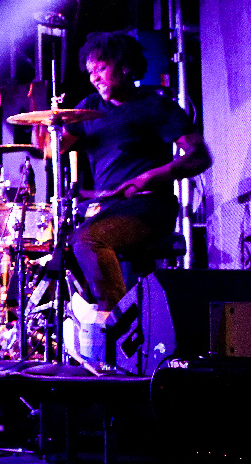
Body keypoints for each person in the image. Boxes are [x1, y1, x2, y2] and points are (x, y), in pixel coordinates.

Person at [46, 32, 211, 317]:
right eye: (90, 72)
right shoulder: (90, 107)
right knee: (61, 249)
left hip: (148, 206)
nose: (94, 78)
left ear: (124, 67)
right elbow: (52, 150)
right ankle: (91, 324)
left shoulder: (154, 105)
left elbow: (200, 156)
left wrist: (149, 177)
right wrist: (47, 123)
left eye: (101, 69)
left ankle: (118, 324)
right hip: (106, 207)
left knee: (88, 240)